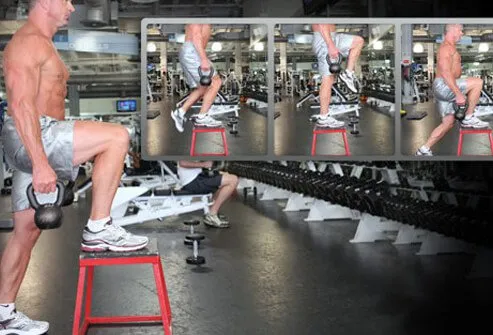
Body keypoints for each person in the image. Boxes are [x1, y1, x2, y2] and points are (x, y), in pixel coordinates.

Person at [0, 0, 149, 332]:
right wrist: (40, 163)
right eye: (65, 0)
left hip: (38, 138)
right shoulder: (28, 42)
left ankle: (3, 313)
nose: (71, 6)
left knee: (26, 232)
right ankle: (99, 228)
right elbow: (21, 104)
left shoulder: (42, 42)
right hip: (34, 137)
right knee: (117, 137)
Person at [416, 24, 489, 156]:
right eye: (460, 30)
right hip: (444, 86)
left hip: (444, 86)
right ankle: (469, 117)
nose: (462, 33)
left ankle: (424, 149)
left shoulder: (451, 48)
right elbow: (445, 72)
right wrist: (458, 93)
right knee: (478, 82)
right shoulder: (446, 48)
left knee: (448, 123)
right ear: (453, 30)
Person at [171, 24, 223, 132]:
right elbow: (196, 35)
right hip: (193, 52)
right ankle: (202, 116)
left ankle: (180, 112)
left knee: (203, 88)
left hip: (192, 52)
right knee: (216, 82)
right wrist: (203, 59)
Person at [311, 24, 364, 127]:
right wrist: (330, 45)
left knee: (358, 41)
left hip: (334, 36)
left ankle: (348, 74)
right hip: (324, 39)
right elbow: (322, 24)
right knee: (328, 79)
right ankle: (324, 117)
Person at [177, 161, 239, 228]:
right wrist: (203, 164)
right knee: (233, 180)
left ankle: (211, 210)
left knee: (227, 177)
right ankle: (212, 214)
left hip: (198, 177)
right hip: (193, 181)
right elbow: (182, 162)